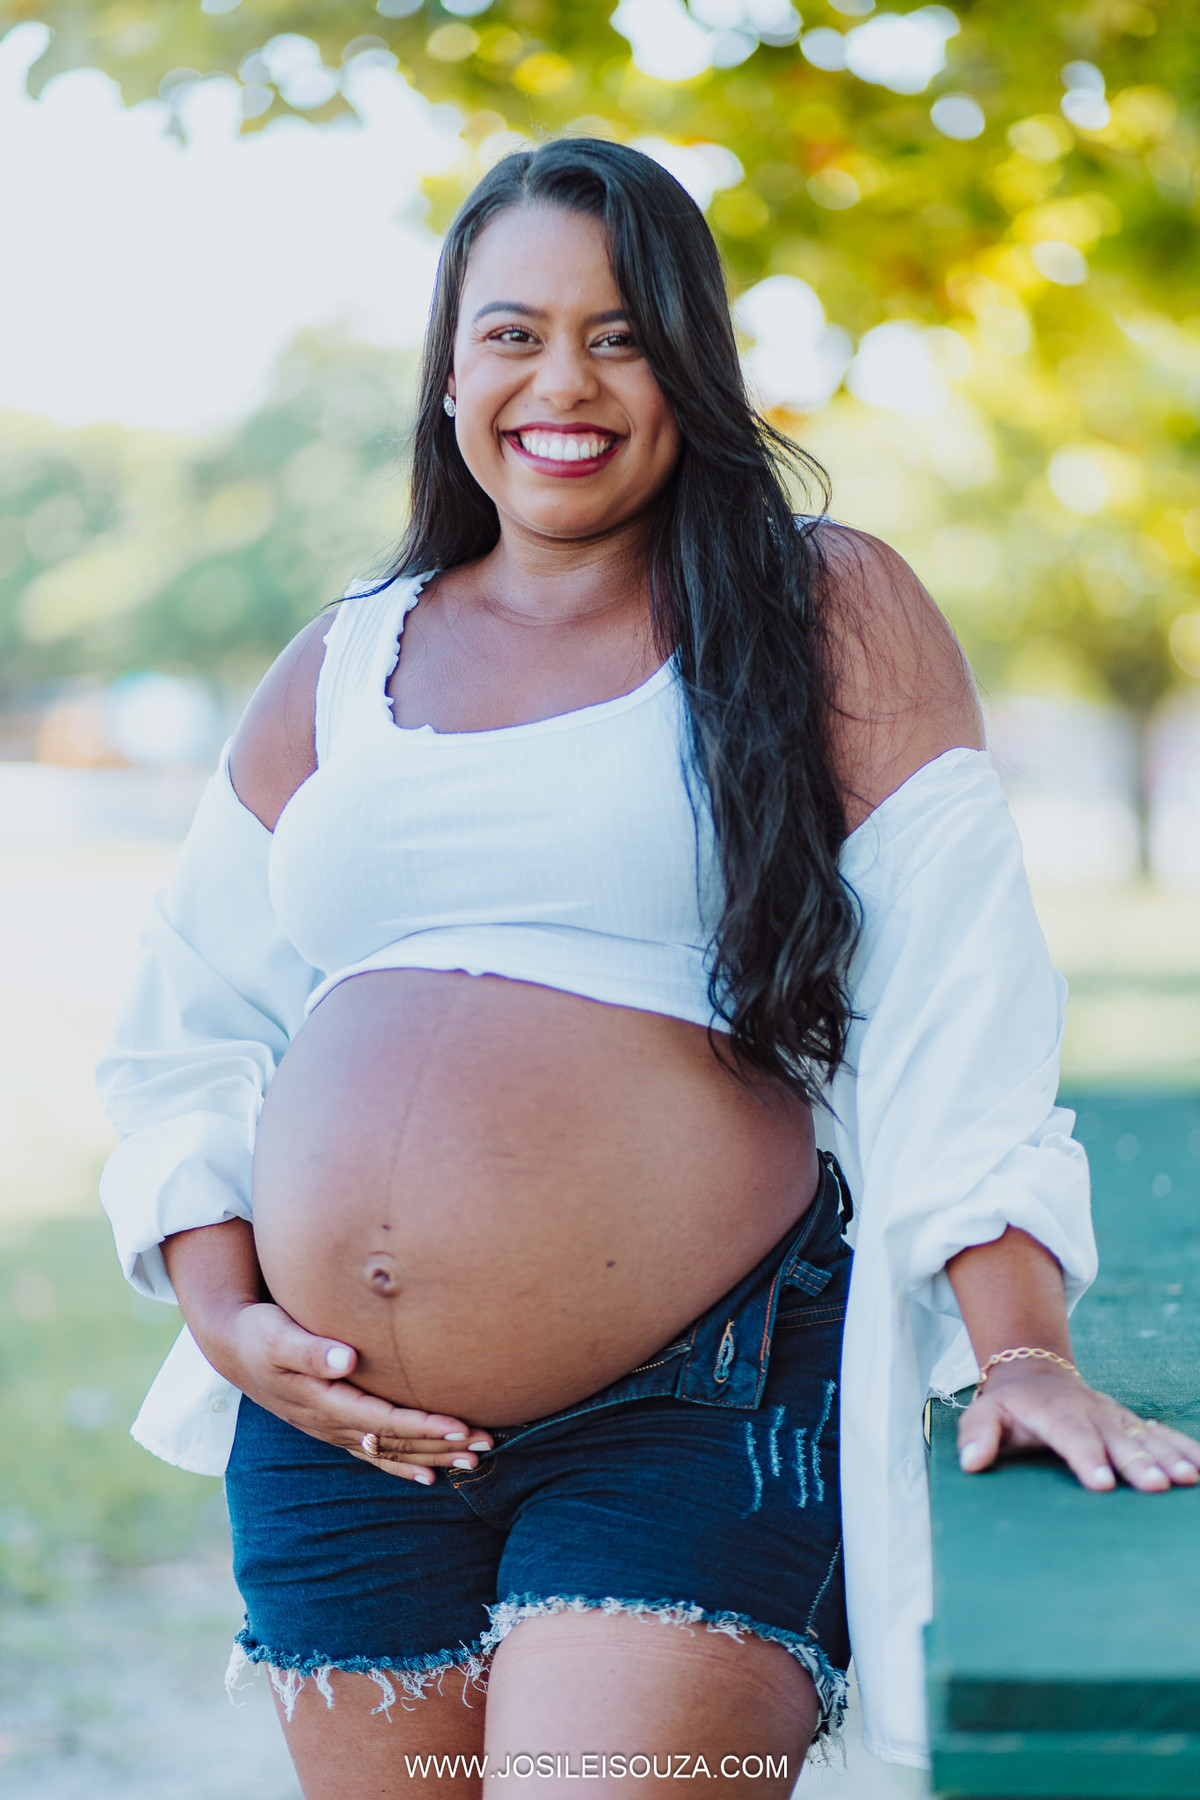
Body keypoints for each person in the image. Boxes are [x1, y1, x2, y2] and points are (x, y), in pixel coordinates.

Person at [97, 138, 1200, 1799]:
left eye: (621, 336)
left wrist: (1020, 1345)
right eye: (513, 333)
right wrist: (227, 1316)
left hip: (689, 1412)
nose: (565, 381)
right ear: (450, 371)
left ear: (692, 364)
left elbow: (964, 1006)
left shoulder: (824, 608)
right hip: (336, 1449)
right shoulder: (341, 661)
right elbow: (183, 1030)